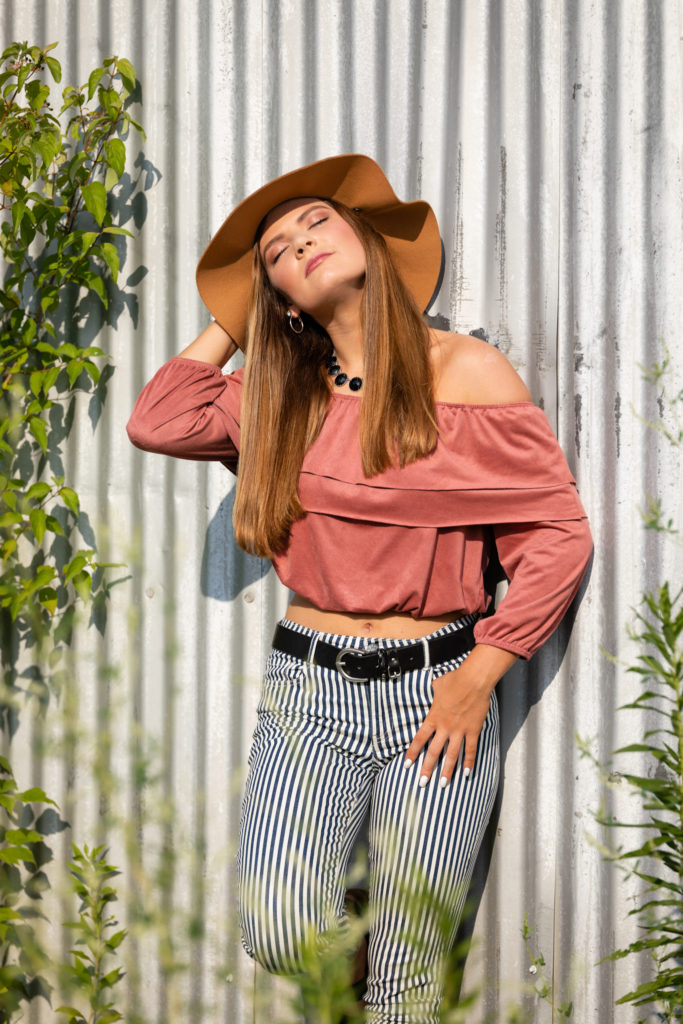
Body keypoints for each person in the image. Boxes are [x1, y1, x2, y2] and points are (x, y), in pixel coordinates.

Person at [127, 153, 592, 1023]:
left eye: (316, 226)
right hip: (309, 690)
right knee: (277, 926)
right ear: (280, 299)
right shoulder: (277, 397)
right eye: (275, 254)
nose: (297, 245)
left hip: (436, 692)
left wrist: (480, 674)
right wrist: (237, 322)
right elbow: (158, 419)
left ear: (370, 246)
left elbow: (555, 537)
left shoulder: (464, 375)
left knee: (410, 974)